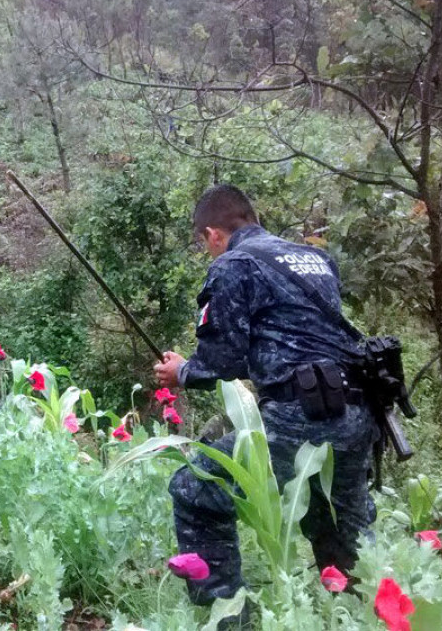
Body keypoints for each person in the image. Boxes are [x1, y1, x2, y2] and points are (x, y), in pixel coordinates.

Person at [153, 185, 376, 620]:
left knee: (195, 490)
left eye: (205, 244)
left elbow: (223, 361)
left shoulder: (234, 265)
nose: (209, 252)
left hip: (300, 412)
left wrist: (181, 371)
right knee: (340, 525)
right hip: (355, 410)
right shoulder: (315, 259)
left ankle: (227, 616)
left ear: (213, 234)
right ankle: (362, 615)